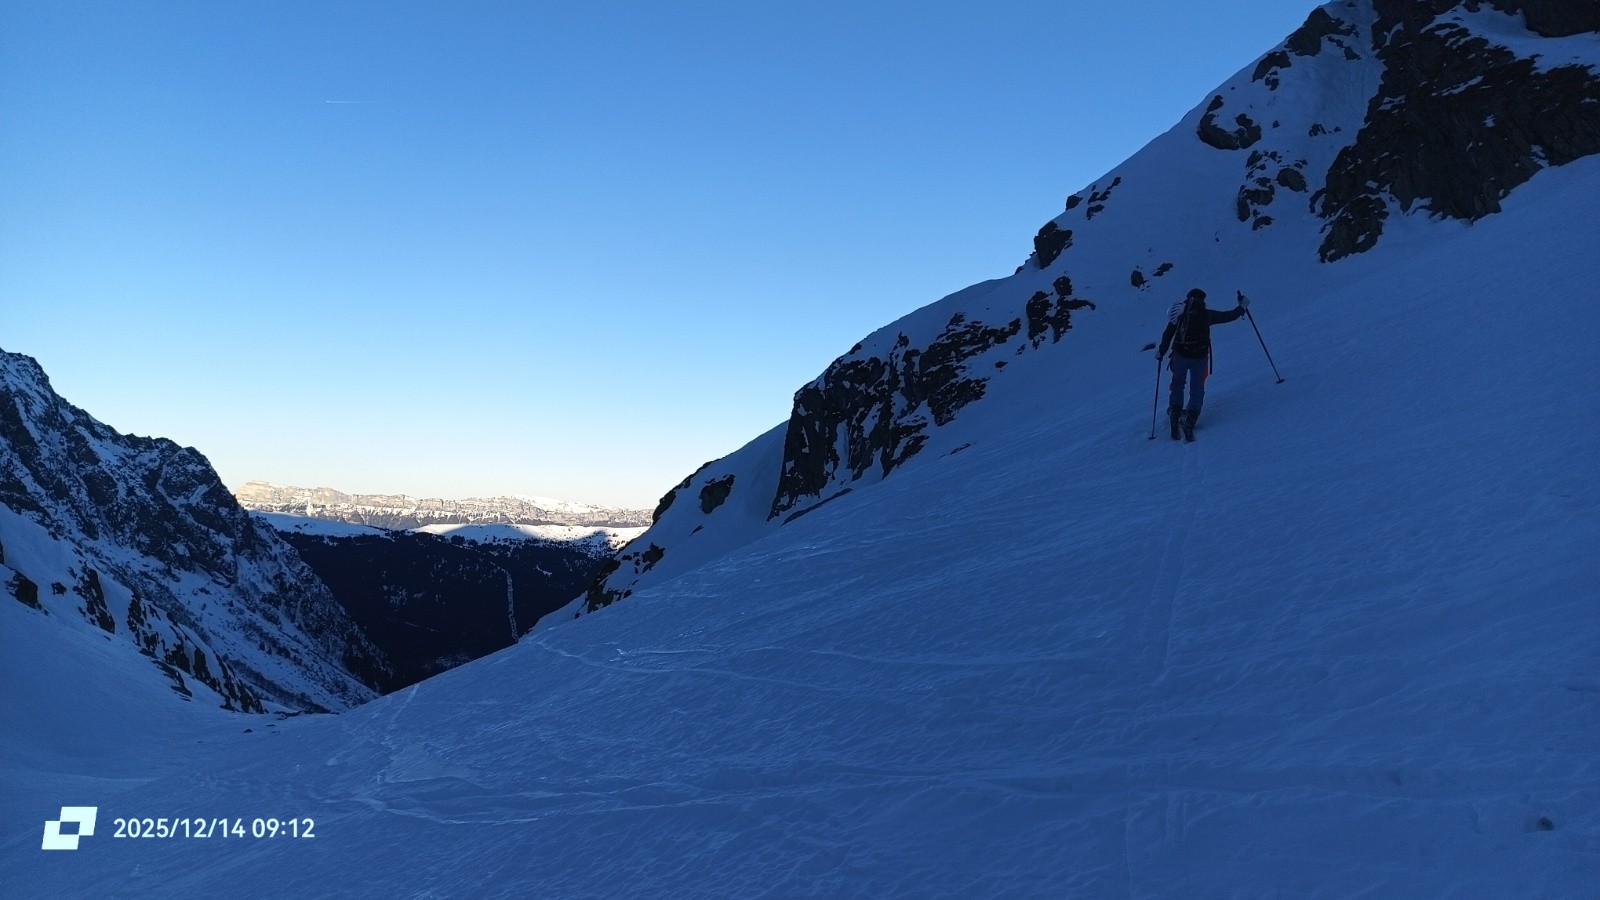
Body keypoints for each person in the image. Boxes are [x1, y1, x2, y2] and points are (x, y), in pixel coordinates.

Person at [1157, 288, 1249, 440]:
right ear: (1203, 300)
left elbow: (1168, 333)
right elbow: (1228, 316)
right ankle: (1191, 418)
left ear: (1188, 298)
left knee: (1177, 383)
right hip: (1199, 357)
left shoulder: (1179, 312)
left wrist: (1161, 351)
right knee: (1197, 387)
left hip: (1180, 356)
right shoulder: (1207, 314)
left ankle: (1175, 412)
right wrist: (1242, 307)